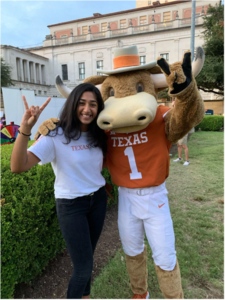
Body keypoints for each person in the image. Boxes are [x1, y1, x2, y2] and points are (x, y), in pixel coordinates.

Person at [11, 83, 108, 300]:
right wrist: (25, 129)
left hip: (98, 201)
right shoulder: (55, 134)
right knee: (83, 269)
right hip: (71, 206)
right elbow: (18, 166)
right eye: (82, 103)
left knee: (88, 260)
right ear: (73, 105)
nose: (87, 109)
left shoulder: (99, 133)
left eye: (93, 104)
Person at [172, 98, 189, 166]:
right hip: (178, 130)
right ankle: (180, 158)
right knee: (178, 145)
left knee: (184, 145)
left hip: (183, 131)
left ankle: (187, 161)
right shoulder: (177, 111)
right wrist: (173, 105)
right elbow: (173, 112)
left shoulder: (183, 112)